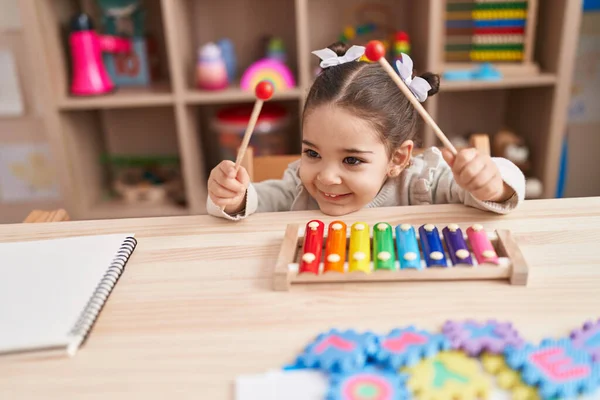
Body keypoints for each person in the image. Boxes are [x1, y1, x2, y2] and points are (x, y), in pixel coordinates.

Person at [206, 42, 525, 221]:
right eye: (312, 153)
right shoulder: (297, 188)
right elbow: (255, 202)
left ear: (398, 158)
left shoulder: (423, 184)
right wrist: (232, 199)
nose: (326, 177)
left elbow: (500, 195)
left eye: (352, 160)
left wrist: (491, 183)